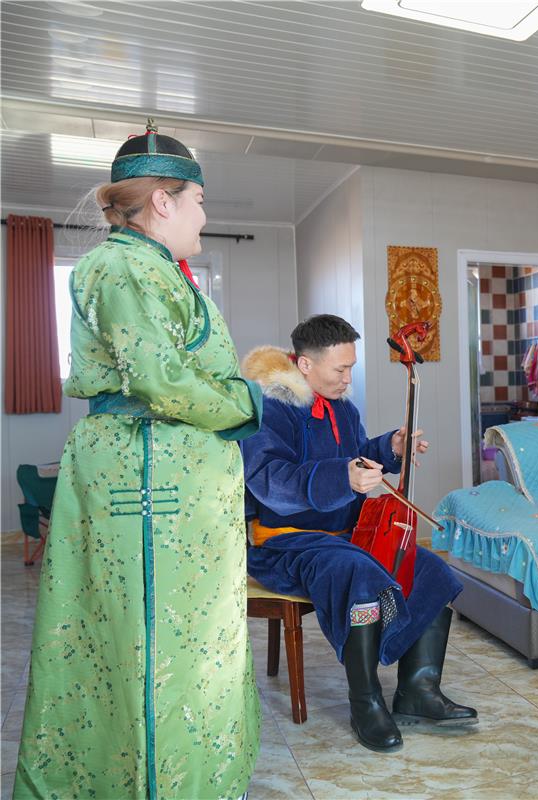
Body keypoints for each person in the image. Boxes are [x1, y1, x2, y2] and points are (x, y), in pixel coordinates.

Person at [15, 123, 262, 799]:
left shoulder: (150, 268)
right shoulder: (124, 267)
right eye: (199, 202)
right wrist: (249, 403)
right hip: (149, 481)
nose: (205, 216)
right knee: (156, 648)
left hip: (168, 480)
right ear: (163, 201)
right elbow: (160, 380)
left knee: (180, 644)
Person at [240, 314, 475, 754]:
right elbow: (269, 479)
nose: (348, 378)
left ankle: (418, 690)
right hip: (284, 543)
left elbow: (356, 455)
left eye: (351, 368)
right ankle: (365, 703)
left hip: (345, 537)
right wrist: (341, 478)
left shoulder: (343, 408)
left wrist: (390, 448)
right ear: (305, 365)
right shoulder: (270, 409)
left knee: (428, 569)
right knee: (359, 573)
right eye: (340, 369)